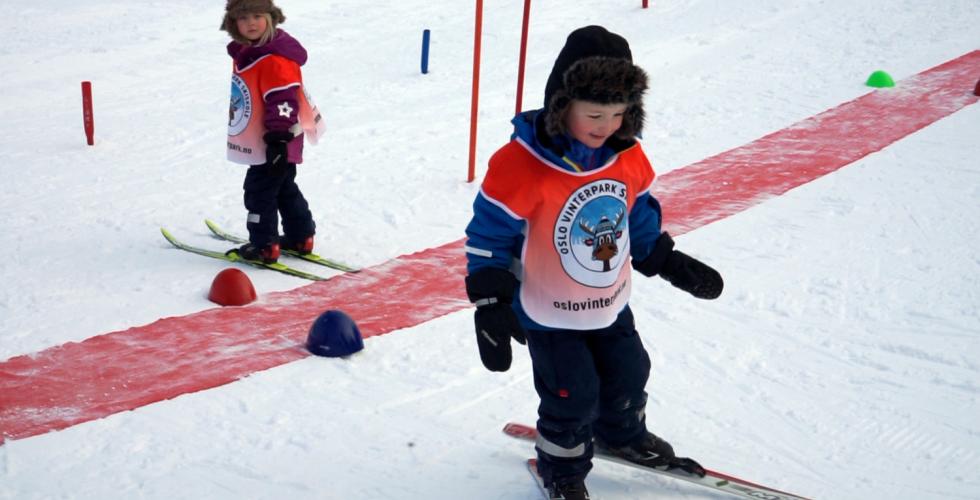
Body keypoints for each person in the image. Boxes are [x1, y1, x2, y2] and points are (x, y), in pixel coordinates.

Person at [463, 26, 724, 500]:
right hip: (547, 307)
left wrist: (666, 259)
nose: (606, 124)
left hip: (607, 298)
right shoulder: (519, 164)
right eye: (595, 112)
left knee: (629, 370)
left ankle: (620, 435)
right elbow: (488, 235)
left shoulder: (626, 155)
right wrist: (489, 301)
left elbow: (636, 214)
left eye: (619, 112)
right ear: (564, 105)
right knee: (571, 393)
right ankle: (561, 472)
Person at [220, 0, 322, 264]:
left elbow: (283, 100)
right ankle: (301, 236)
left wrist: (278, 137)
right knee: (283, 185)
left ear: (271, 18)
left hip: (277, 137)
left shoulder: (273, 58)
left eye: (257, 16)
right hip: (273, 137)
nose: (251, 23)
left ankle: (264, 244)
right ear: (233, 24)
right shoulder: (251, 52)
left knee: (259, 190)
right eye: (243, 18)